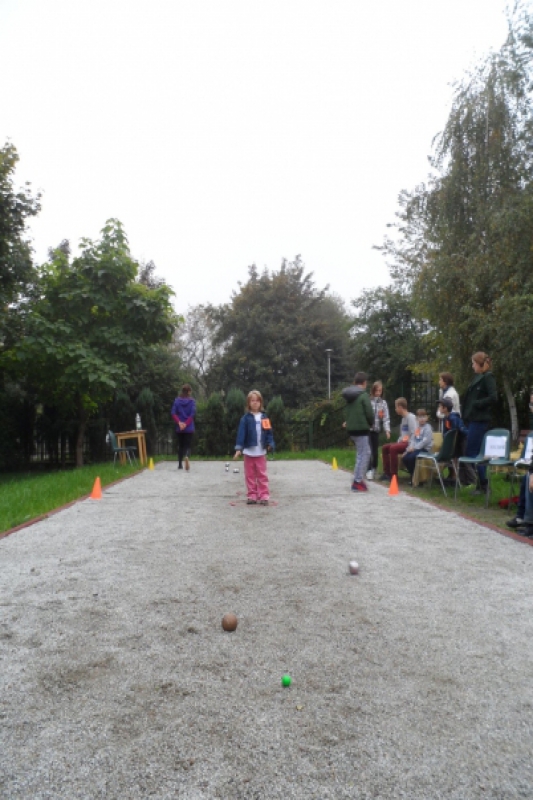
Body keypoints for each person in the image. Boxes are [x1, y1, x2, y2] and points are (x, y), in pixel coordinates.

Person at [461, 352, 498, 493]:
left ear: (480, 364)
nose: (472, 366)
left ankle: (483, 483)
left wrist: (477, 404)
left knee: (473, 451)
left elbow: (493, 397)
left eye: (473, 363)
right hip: (473, 419)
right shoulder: (478, 378)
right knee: (474, 452)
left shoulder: (488, 377)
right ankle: (481, 484)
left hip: (480, 419)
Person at [234, 390, 275, 505]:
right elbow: (241, 434)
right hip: (248, 452)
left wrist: (270, 444)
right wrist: (239, 449)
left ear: (261, 403)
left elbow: (269, 433)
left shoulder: (264, 418)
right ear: (248, 403)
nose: (255, 403)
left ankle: (264, 496)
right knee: (250, 475)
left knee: (262, 475)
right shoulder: (245, 419)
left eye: (257, 400)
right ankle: (252, 495)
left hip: (261, 452)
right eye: (253, 400)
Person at [342, 371, 374, 493]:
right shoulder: (363, 395)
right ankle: (357, 481)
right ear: (365, 383)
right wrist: (371, 423)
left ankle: (357, 478)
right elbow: (369, 412)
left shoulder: (349, 395)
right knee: (365, 453)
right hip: (361, 428)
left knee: (361, 453)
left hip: (352, 428)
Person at [380, 398, 417, 482]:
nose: (396, 410)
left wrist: (409, 448)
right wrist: (398, 442)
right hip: (402, 442)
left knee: (393, 448)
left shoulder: (411, 418)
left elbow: (414, 434)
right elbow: (402, 435)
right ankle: (387, 473)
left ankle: (394, 476)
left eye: (396, 407)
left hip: (409, 443)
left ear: (400, 407)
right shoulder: (403, 419)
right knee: (385, 447)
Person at [437, 396, 469, 484]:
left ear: (445, 408)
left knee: (458, 460)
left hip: (460, 443)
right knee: (453, 458)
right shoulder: (446, 418)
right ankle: (454, 477)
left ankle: (458, 478)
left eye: (440, 406)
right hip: (454, 445)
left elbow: (455, 432)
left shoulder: (453, 418)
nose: (439, 408)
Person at [401, 409, 434, 484]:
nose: (422, 419)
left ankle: (417, 479)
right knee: (405, 458)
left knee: (412, 458)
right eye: (420, 417)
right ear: (417, 419)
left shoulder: (428, 428)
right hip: (415, 449)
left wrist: (414, 448)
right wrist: (407, 450)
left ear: (427, 418)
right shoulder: (417, 428)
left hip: (424, 450)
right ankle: (413, 475)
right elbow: (413, 440)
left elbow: (425, 442)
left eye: (423, 416)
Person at [367, 381, 391, 481]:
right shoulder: (368, 401)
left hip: (376, 430)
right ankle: (368, 470)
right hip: (367, 429)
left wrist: (387, 430)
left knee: (375, 451)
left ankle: (374, 468)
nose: (378, 392)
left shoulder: (383, 403)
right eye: (376, 390)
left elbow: (386, 418)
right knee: (368, 450)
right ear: (373, 390)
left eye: (380, 390)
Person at [171, 384, 196, 471]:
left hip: (179, 428)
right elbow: (192, 414)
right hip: (189, 427)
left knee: (180, 445)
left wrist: (179, 423)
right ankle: (187, 457)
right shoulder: (192, 401)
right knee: (188, 445)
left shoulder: (177, 401)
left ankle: (180, 464)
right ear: (189, 391)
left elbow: (173, 413)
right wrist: (186, 424)